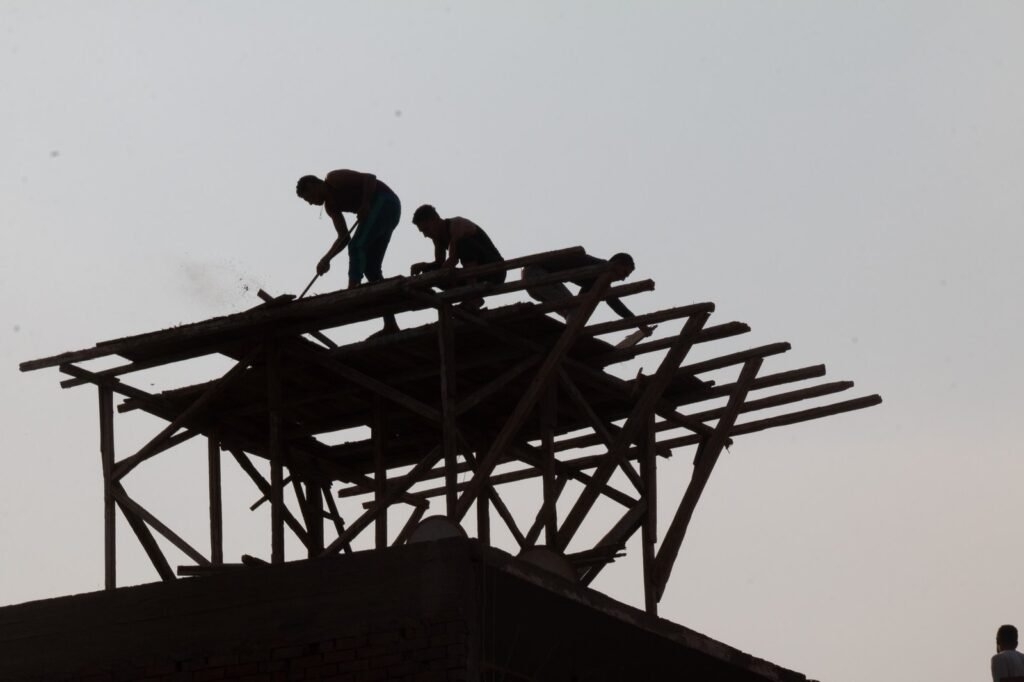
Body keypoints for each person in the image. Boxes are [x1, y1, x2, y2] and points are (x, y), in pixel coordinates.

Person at [296, 169, 401, 333]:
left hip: (385, 201)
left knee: (357, 246)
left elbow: (370, 178)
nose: (309, 203)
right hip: (384, 214)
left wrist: (365, 203)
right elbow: (344, 237)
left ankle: (353, 290)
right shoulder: (331, 207)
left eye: (307, 197)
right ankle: (390, 323)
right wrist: (327, 259)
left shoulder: (334, 178)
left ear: (312, 185)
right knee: (371, 269)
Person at [522, 252, 652, 335]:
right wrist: (640, 325)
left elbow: (583, 300)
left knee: (575, 310)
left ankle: (566, 336)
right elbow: (614, 303)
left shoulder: (597, 277)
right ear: (616, 264)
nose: (622, 278)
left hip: (538, 278)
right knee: (573, 310)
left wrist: (640, 325)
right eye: (624, 273)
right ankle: (567, 338)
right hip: (536, 274)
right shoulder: (600, 268)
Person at [409, 204, 505, 309]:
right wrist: (424, 267)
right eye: (422, 231)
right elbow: (439, 263)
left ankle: (473, 296)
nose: (425, 235)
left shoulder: (457, 224)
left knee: (463, 243)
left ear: (435, 220)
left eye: (426, 229)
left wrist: (435, 275)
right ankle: (465, 297)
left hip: (494, 271)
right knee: (431, 271)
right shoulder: (437, 238)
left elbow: (452, 260)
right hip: (478, 276)